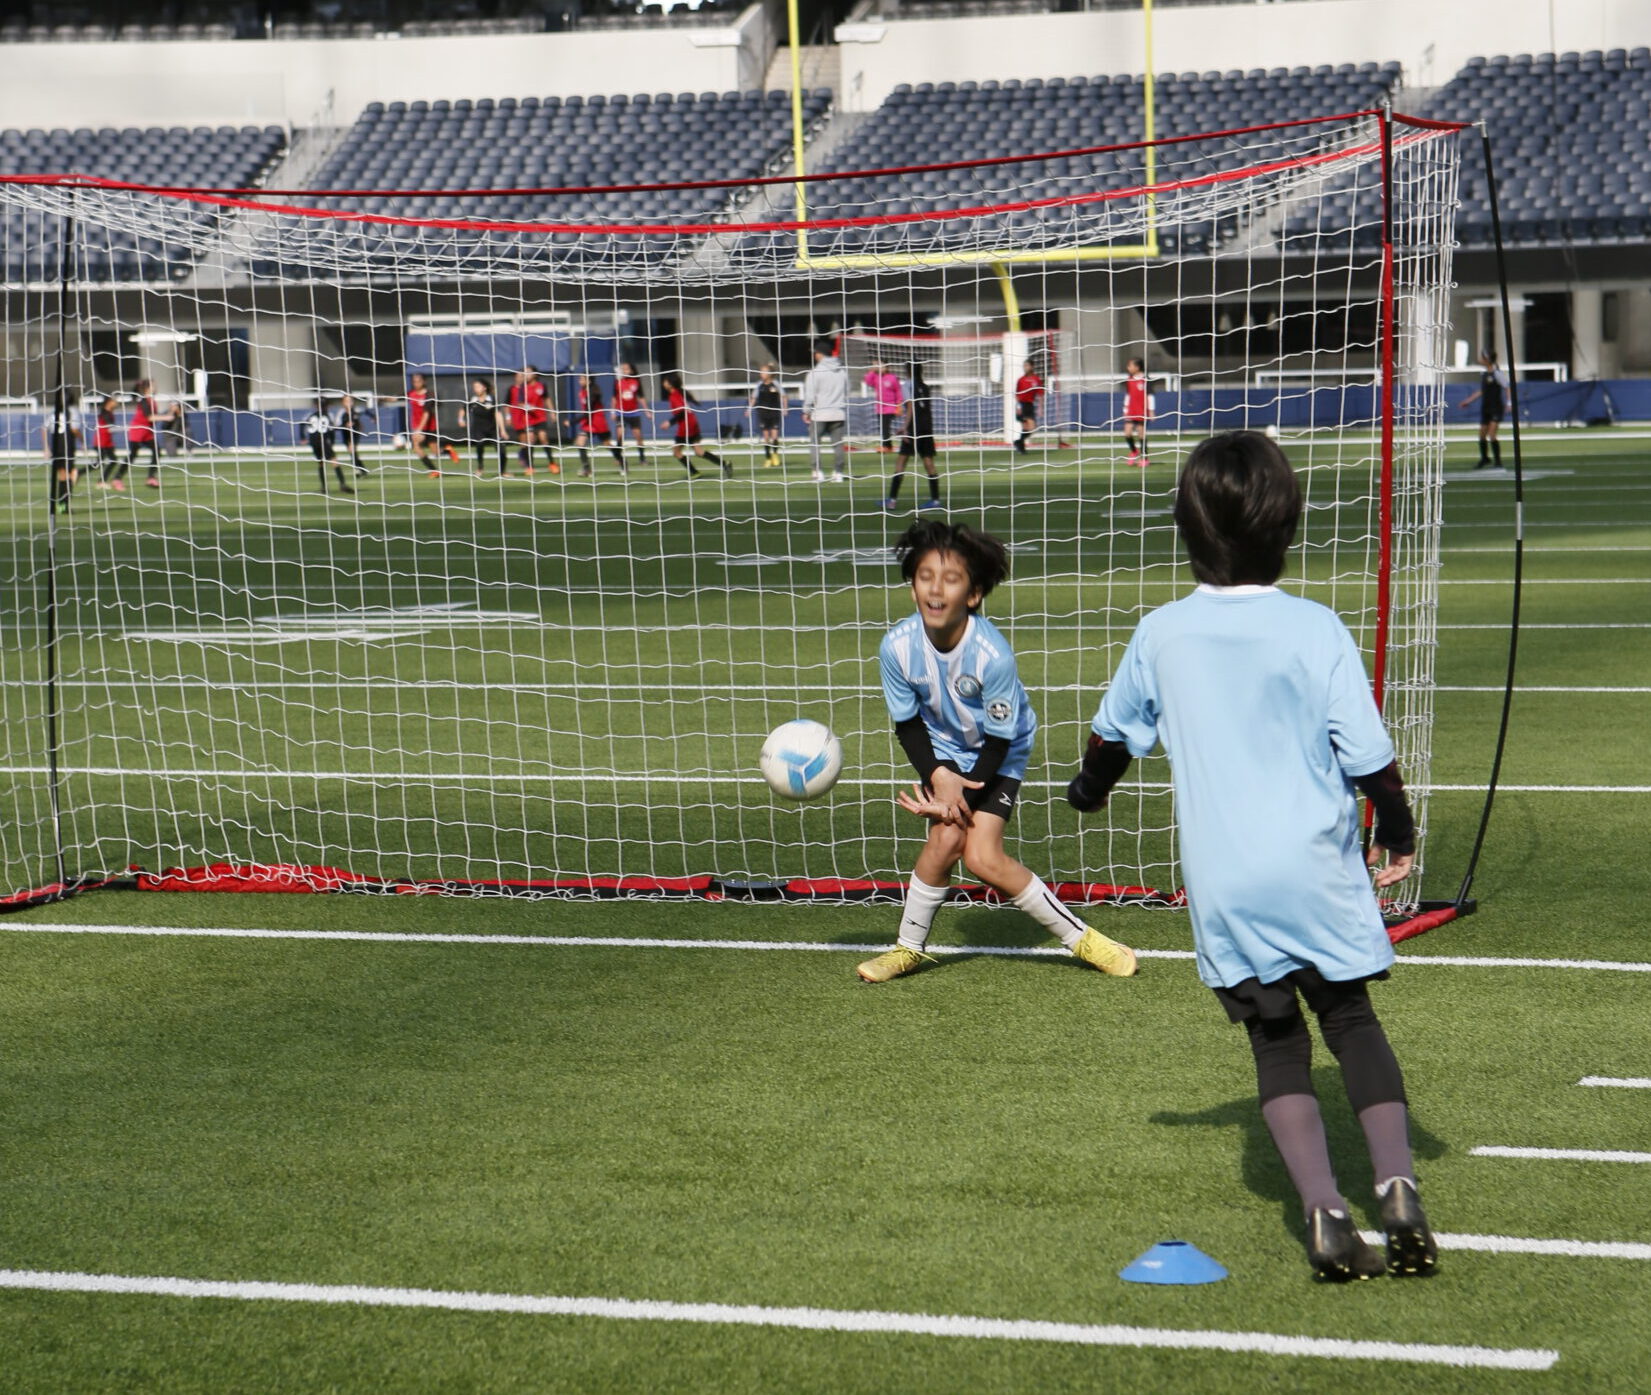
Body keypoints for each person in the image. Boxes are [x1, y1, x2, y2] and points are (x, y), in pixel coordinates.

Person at [1066, 430, 1435, 1283]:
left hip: (1227, 885)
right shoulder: (1314, 627)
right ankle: (1397, 1184)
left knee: (1276, 1044)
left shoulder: (1161, 633)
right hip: (1316, 868)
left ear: (1185, 526)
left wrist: (1086, 791)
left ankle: (1323, 1210)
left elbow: (1109, 738)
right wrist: (1399, 830)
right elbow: (1370, 757)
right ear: (1286, 523)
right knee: (1349, 1020)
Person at [856, 518, 1140, 986]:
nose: (935, 588)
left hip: (998, 751)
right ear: (912, 586)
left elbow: (1000, 737)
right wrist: (940, 774)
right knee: (945, 841)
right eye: (926, 576)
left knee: (982, 858)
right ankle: (907, 950)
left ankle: (1087, 941)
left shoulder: (992, 655)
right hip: (945, 749)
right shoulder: (896, 647)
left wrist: (961, 794)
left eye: (951, 579)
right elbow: (907, 724)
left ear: (973, 594)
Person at [883, 360, 942, 512]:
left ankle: (892, 500)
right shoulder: (925, 387)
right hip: (926, 428)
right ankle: (935, 500)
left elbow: (910, 406)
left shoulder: (908, 385)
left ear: (908, 371)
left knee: (901, 462)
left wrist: (905, 427)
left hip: (913, 429)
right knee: (928, 462)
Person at [658, 372, 727, 479]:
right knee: (699, 451)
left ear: (670, 384)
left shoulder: (674, 395)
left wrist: (669, 423)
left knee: (676, 452)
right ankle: (725, 464)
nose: (663, 383)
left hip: (686, 426)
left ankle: (694, 472)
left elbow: (681, 411)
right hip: (692, 422)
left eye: (665, 381)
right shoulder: (679, 393)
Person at [801, 338, 848, 483]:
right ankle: (838, 473)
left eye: (815, 353)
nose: (814, 355)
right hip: (838, 413)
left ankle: (817, 472)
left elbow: (810, 395)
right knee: (838, 444)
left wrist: (806, 411)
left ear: (820, 354)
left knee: (815, 443)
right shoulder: (842, 372)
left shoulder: (815, 372)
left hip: (820, 414)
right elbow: (847, 391)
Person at [1460, 350, 1509, 469]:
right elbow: (1482, 391)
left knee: (1492, 434)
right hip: (1485, 407)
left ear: (1487, 360)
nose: (1480, 359)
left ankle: (1498, 461)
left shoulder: (1497, 373)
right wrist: (1468, 400)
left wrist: (1509, 403)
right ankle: (1485, 458)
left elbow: (1507, 387)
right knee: (1482, 434)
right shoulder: (1484, 374)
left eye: (1482, 358)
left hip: (1495, 407)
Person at [572, 373, 626, 478]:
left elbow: (588, 411)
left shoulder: (593, 392)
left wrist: (572, 422)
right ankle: (586, 469)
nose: (580, 381)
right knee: (580, 442)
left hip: (597, 422)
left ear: (589, 380)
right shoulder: (582, 392)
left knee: (607, 444)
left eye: (582, 379)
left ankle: (623, 463)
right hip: (588, 422)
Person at [508, 367, 558, 476]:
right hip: (528, 419)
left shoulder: (541, 386)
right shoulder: (522, 387)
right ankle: (530, 467)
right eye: (524, 372)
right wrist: (528, 406)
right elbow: (519, 403)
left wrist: (552, 412)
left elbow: (547, 399)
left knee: (543, 438)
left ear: (535, 374)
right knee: (529, 440)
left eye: (528, 372)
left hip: (540, 418)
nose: (525, 374)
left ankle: (552, 463)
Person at [305, 399, 354, 495]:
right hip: (323, 441)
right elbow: (331, 430)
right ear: (327, 406)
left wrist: (304, 438)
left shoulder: (311, 415)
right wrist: (331, 442)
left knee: (321, 463)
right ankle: (342, 484)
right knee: (334, 461)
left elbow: (304, 425)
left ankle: (324, 487)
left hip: (314, 442)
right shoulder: (327, 415)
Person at [42, 391, 79, 514]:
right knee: (69, 475)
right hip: (67, 447)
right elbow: (74, 429)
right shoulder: (72, 412)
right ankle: (64, 504)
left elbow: (43, 428)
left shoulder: (53, 412)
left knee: (61, 476)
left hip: (56, 448)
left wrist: (46, 448)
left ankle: (60, 505)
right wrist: (83, 441)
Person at [464, 378, 510, 478]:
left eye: (478, 386)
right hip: (478, 429)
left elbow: (498, 414)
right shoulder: (472, 400)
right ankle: (480, 468)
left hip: (493, 429)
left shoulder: (492, 399)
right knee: (479, 445)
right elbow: (463, 410)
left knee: (501, 449)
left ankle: (503, 471)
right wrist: (461, 419)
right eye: (474, 387)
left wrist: (502, 430)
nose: (475, 389)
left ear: (484, 388)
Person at [406, 373, 450, 474]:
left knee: (435, 452)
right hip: (417, 426)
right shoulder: (410, 393)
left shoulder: (429, 395)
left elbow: (426, 414)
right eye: (414, 381)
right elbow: (394, 398)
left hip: (430, 426)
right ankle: (434, 470)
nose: (416, 383)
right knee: (416, 447)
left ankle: (448, 450)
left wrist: (419, 430)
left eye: (419, 381)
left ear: (424, 381)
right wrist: (380, 398)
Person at [123, 379, 161, 488]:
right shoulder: (144, 401)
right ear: (147, 388)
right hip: (138, 432)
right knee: (132, 455)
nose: (155, 387)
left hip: (147, 433)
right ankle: (117, 478)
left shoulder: (151, 401)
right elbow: (150, 417)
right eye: (153, 385)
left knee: (156, 451)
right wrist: (168, 417)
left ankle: (151, 478)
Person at [863, 358, 904, 454]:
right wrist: (872, 370)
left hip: (890, 407)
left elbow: (898, 392)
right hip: (880, 408)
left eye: (882, 365)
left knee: (885, 427)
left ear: (887, 367)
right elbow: (868, 381)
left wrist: (899, 405)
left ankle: (885, 446)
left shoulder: (892, 378)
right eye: (878, 365)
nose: (880, 367)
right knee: (883, 428)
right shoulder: (876, 377)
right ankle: (888, 446)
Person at [748, 363, 785, 468]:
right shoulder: (759, 384)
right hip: (762, 413)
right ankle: (768, 458)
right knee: (766, 437)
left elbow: (783, 395)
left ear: (770, 373)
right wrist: (749, 409)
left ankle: (775, 455)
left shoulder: (776, 384)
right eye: (761, 371)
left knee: (775, 436)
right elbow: (753, 397)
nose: (762, 373)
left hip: (774, 413)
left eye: (764, 371)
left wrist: (784, 408)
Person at [613, 362, 648, 470]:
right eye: (623, 369)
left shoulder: (636, 382)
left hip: (634, 413)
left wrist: (647, 411)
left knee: (638, 435)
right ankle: (619, 457)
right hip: (621, 413)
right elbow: (614, 398)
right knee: (620, 435)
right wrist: (613, 411)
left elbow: (641, 397)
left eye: (627, 369)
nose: (624, 371)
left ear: (631, 370)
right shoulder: (618, 382)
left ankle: (642, 458)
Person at [333, 393, 372, 476]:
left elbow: (366, 411)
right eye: (346, 401)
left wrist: (373, 417)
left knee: (352, 450)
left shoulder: (357, 410)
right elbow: (336, 426)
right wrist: (345, 425)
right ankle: (362, 469)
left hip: (355, 433)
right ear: (343, 402)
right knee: (352, 453)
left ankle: (357, 469)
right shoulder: (341, 413)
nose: (349, 403)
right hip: (346, 435)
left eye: (350, 401)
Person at [1123, 357, 1152, 467]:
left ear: (1137, 367)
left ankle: (1145, 458)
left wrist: (1151, 411)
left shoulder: (1145, 379)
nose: (1128, 368)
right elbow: (1128, 395)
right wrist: (1125, 409)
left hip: (1142, 410)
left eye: (1130, 366)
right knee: (1127, 433)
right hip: (1131, 410)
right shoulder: (1129, 379)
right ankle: (1134, 451)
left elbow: (1150, 395)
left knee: (1141, 434)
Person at [1013, 359, 1044, 454]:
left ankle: (1019, 444)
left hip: (1030, 405)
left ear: (1032, 366)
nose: (1025, 368)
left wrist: (1040, 408)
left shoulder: (1036, 379)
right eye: (1024, 366)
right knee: (1030, 427)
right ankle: (1020, 444)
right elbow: (1017, 394)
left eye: (1027, 365)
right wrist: (1018, 407)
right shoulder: (1021, 380)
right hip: (1022, 405)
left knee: (1028, 429)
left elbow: (1040, 394)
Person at [92, 397, 120, 488]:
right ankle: (101, 481)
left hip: (106, 442)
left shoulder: (108, 413)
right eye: (114, 400)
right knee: (106, 461)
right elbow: (110, 428)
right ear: (109, 402)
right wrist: (127, 428)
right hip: (102, 442)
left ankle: (101, 481)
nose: (116, 402)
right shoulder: (105, 413)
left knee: (106, 461)